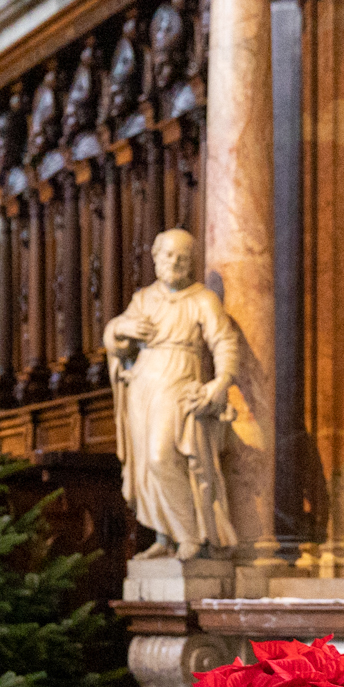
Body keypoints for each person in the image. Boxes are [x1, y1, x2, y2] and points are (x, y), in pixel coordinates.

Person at [103, 228, 242, 559]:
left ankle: (190, 534)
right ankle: (165, 538)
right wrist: (121, 330)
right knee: (145, 466)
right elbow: (114, 335)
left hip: (179, 380)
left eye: (183, 257)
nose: (175, 262)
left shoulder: (202, 299)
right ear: (155, 256)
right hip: (142, 385)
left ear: (191, 262)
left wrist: (221, 382)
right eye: (168, 255)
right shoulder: (144, 299)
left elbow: (224, 341)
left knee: (161, 456)